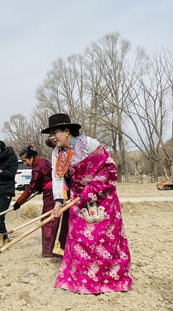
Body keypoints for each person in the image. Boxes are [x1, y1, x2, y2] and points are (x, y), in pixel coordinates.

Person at [44, 114, 131, 294]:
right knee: (78, 238)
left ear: (67, 131)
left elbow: (109, 169)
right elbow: (57, 178)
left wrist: (91, 189)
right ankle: (81, 280)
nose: (52, 137)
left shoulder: (89, 144)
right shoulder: (57, 153)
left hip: (102, 196)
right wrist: (58, 202)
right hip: (77, 199)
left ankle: (110, 280)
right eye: (50, 134)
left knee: (106, 239)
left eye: (55, 133)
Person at [13, 145, 67, 259]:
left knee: (48, 220)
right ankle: (57, 248)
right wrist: (40, 187)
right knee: (56, 220)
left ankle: (48, 251)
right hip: (57, 190)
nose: (25, 163)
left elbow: (31, 188)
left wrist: (19, 202)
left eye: (25, 161)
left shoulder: (37, 168)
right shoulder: (43, 161)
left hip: (51, 194)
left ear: (31, 158)